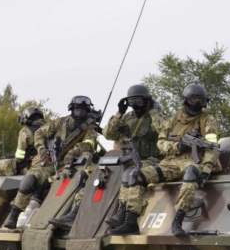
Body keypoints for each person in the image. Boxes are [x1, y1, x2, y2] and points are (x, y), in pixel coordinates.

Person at [107, 82, 220, 236]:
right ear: (186, 100)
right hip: (170, 162)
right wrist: (177, 146)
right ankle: (130, 222)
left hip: (192, 162)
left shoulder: (208, 119)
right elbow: (161, 141)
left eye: (201, 100)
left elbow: (212, 145)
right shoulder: (174, 118)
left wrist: (207, 167)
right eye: (193, 100)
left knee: (191, 173)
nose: (197, 103)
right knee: (136, 175)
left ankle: (178, 220)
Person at [48, 84, 164, 229]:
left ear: (147, 101)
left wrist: (153, 112)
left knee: (132, 175)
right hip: (124, 159)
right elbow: (108, 134)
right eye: (131, 101)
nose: (135, 105)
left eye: (139, 101)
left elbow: (165, 131)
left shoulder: (157, 117)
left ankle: (123, 212)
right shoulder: (126, 118)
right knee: (89, 174)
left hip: (148, 160)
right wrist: (119, 113)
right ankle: (74, 213)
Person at [3, 96, 98, 229]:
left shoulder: (90, 129)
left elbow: (90, 144)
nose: (79, 113)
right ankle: (14, 214)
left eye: (83, 111)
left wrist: (74, 151)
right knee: (29, 180)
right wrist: (41, 148)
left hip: (70, 164)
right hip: (49, 161)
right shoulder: (60, 122)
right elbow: (40, 133)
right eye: (77, 110)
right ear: (72, 109)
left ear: (87, 112)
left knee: (61, 183)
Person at [0, 106, 45, 177]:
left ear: (28, 118)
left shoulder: (25, 131)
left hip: (31, 168)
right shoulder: (49, 129)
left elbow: (19, 157)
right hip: (48, 166)